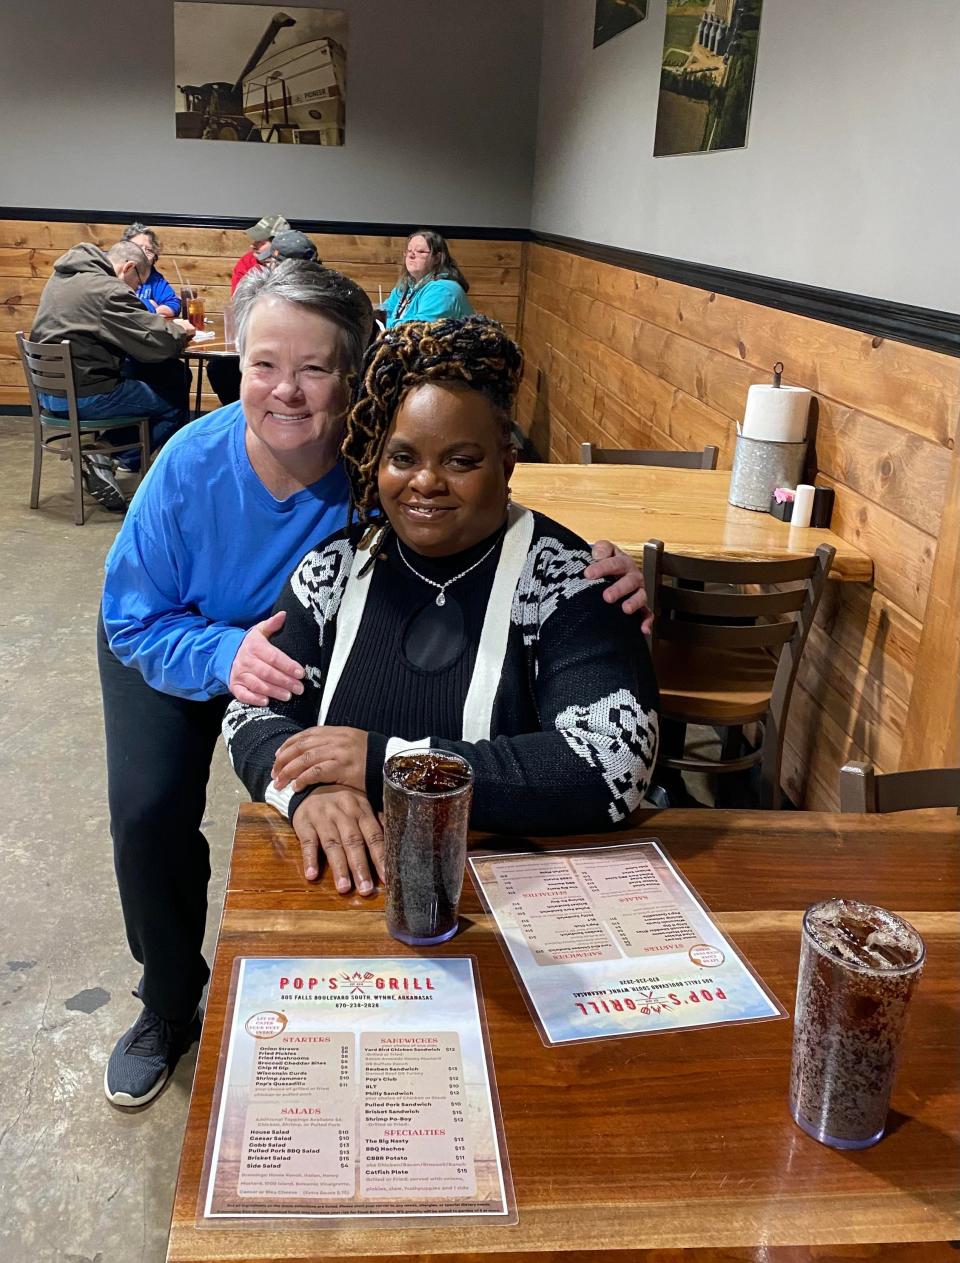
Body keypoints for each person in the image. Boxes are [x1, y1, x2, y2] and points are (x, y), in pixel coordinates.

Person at [97, 262, 648, 1109]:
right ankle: (166, 1001)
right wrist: (287, 755)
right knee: (148, 810)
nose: (287, 391)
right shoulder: (194, 471)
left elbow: (482, 509)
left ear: (353, 380)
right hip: (175, 634)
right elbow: (145, 625)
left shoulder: (376, 467)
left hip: (301, 665)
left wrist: (605, 575)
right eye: (264, 365)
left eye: (314, 369)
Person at [223, 315, 659, 897]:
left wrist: (384, 764)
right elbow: (251, 714)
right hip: (339, 886)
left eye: (461, 461)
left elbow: (608, 764)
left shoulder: (569, 581)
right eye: (402, 458)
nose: (425, 481)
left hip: (505, 892)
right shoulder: (333, 570)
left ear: (506, 465)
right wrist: (308, 791)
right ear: (376, 463)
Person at [31, 240, 194, 511]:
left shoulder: (62, 278)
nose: (136, 289)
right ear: (128, 267)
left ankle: (104, 455)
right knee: (174, 390)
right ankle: (110, 456)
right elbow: (158, 342)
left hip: (48, 394)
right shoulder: (107, 290)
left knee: (157, 375)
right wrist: (180, 331)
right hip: (86, 395)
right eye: (138, 282)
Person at [383, 230, 473, 328]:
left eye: (420, 251)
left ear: (437, 258)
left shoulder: (442, 290)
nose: (411, 255)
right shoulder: (405, 285)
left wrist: (383, 323)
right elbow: (384, 313)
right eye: (409, 251)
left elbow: (417, 329)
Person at [122, 222, 180, 317]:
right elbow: (118, 304)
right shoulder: (117, 273)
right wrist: (150, 304)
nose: (143, 253)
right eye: (138, 248)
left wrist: (151, 312)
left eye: (149, 250)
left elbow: (174, 304)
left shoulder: (155, 278)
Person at [230, 213, 289, 294]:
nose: (252, 246)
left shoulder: (292, 264)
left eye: (261, 242)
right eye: (255, 240)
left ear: (278, 244)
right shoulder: (247, 261)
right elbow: (238, 297)